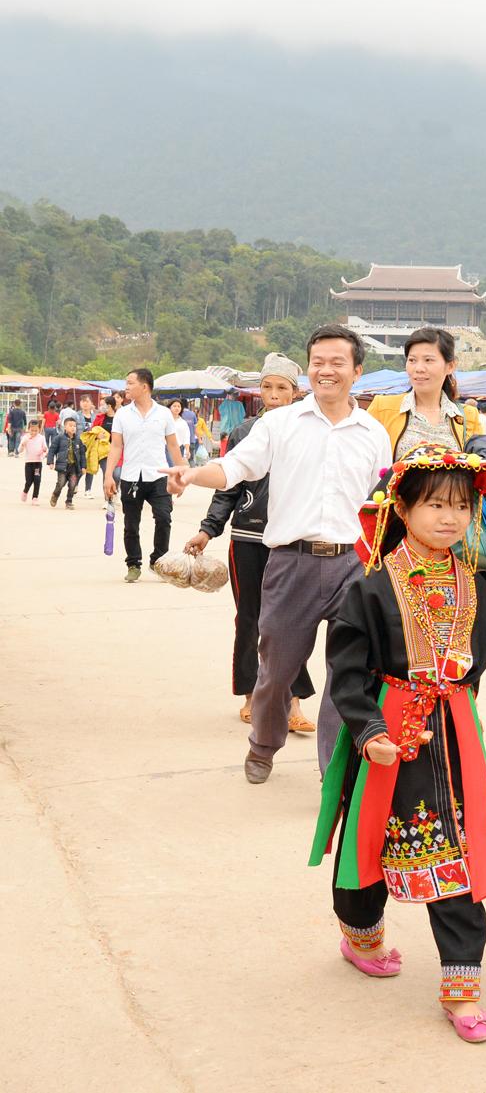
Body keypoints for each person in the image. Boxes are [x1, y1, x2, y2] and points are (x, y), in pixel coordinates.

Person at [309, 444, 486, 1043]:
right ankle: (360, 934)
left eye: (461, 506)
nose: (449, 517)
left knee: (458, 856)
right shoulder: (369, 588)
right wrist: (370, 731)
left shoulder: (475, 583)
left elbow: (477, 665)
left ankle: (462, 984)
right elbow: (346, 672)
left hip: (453, 730)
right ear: (402, 506)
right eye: (434, 505)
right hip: (386, 736)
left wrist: (453, 703)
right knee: (368, 848)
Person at [159, 325, 393, 783]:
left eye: (337, 362)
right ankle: (264, 745)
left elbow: (380, 499)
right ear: (309, 371)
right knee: (276, 670)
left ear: (357, 371)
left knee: (348, 673)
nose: (326, 371)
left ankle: (334, 767)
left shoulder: (373, 433)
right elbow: (234, 468)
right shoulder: (279, 424)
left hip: (354, 564)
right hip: (292, 563)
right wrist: (192, 474)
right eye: (318, 363)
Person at [185, 354, 317, 729]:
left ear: (295, 392)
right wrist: (208, 529)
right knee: (250, 619)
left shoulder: (307, 431)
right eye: (267, 387)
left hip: (292, 540)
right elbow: (227, 486)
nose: (273, 396)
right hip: (248, 538)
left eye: (282, 388)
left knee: (293, 622)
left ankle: (292, 704)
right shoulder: (243, 432)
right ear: (259, 390)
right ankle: (251, 696)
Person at [105, 368, 185, 583]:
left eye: (130, 383)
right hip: (131, 477)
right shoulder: (122, 414)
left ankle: (158, 561)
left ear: (144, 386)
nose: (126, 387)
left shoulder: (163, 414)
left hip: (159, 475)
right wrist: (108, 476)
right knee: (131, 524)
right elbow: (115, 447)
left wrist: (182, 475)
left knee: (164, 518)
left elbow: (173, 446)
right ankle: (133, 564)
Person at [367, 327, 482, 458]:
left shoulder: (468, 416)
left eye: (428, 360)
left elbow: (478, 469)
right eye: (412, 360)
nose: (419, 368)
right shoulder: (382, 408)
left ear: (450, 366)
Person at [47, 417, 86, 508]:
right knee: (61, 483)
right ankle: (55, 495)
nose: (73, 428)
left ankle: (68, 502)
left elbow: (82, 454)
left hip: (74, 467)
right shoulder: (59, 438)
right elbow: (52, 450)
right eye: (70, 425)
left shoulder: (78, 440)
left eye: (74, 426)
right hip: (63, 466)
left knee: (72, 484)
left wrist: (83, 466)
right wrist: (50, 462)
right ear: (65, 427)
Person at [84, 397, 117, 499]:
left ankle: (107, 497)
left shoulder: (119, 418)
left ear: (110, 406)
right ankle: (87, 489)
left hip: (112, 450)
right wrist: (97, 436)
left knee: (107, 472)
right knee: (90, 467)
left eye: (103, 405)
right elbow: (92, 431)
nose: (101, 407)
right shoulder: (100, 417)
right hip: (99, 449)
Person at [19, 420, 48, 503]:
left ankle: (35, 498)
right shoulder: (25, 437)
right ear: (28, 429)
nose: (34, 432)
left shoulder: (41, 438)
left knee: (37, 480)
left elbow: (45, 449)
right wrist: (23, 444)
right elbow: (19, 450)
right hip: (28, 463)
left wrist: (44, 450)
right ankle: (25, 491)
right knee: (29, 481)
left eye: (36, 430)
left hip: (37, 463)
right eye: (32, 430)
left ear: (39, 429)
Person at [217, 390, 246, 455]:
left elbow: (220, 411)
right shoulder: (239, 404)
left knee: (225, 451)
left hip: (226, 432)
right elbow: (243, 414)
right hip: (237, 431)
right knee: (235, 451)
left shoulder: (225, 403)